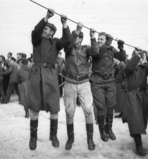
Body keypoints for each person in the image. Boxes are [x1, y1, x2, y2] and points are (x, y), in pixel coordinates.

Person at [27, 8, 71, 150]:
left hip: (51, 75)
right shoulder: (37, 40)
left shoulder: (56, 43)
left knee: (54, 107)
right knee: (34, 107)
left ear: (52, 32)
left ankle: (53, 135)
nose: (44, 30)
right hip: (36, 74)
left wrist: (64, 24)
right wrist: (46, 17)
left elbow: (67, 40)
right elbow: (35, 31)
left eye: (47, 29)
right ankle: (33, 138)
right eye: (44, 28)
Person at [63, 22, 98, 151]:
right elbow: (68, 45)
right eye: (73, 37)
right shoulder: (68, 49)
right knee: (69, 111)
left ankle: (90, 140)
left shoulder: (86, 48)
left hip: (84, 83)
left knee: (88, 111)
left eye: (77, 37)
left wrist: (93, 36)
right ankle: (70, 138)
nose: (74, 39)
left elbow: (95, 52)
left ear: (81, 39)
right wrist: (77, 30)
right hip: (70, 83)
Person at [118, 48, 148, 156]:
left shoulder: (145, 67)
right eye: (136, 56)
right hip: (133, 95)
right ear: (133, 57)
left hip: (143, 95)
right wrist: (137, 56)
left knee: (143, 120)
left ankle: (133, 130)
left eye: (140, 56)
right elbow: (128, 68)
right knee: (136, 120)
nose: (139, 58)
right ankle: (139, 145)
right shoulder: (128, 67)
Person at [90, 32, 126, 142]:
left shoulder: (111, 49)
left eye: (102, 39)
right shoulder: (95, 48)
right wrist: (107, 43)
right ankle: (102, 130)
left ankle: (109, 129)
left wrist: (121, 47)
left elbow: (122, 57)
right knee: (100, 106)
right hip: (97, 81)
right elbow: (98, 53)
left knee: (111, 104)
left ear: (105, 40)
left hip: (110, 80)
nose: (100, 41)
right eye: (99, 39)